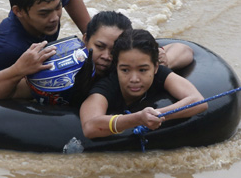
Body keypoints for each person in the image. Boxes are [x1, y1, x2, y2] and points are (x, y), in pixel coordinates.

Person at [0, 10, 194, 106]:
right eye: (99, 46)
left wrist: (165, 59)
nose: (105, 56)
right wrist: (19, 69)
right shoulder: (61, 67)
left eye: (113, 50)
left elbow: (185, 50)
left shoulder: (129, 65)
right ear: (85, 40)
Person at [80, 29, 208, 139]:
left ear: (155, 67)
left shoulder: (160, 74)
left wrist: (160, 114)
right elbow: (90, 126)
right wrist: (138, 118)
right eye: (125, 70)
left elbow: (198, 101)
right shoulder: (107, 86)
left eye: (142, 70)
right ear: (116, 67)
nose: (134, 79)